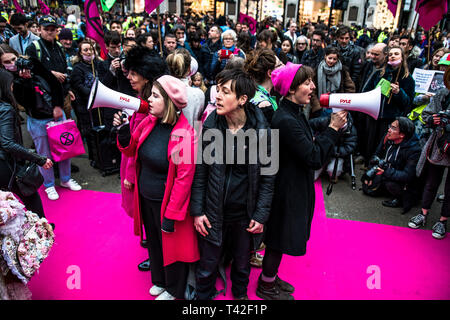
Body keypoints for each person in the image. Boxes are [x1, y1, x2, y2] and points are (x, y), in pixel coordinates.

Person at [258, 62, 347, 300]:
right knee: (279, 237)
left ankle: (270, 278)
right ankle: (266, 285)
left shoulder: (293, 112)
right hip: (287, 188)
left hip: (293, 184)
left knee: (282, 235)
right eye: (307, 82)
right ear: (290, 89)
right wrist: (333, 129)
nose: (313, 86)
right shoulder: (286, 119)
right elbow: (314, 157)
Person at [190, 68, 276, 300]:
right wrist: (197, 212)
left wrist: (260, 215)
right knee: (206, 267)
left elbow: (269, 179)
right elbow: (200, 174)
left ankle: (240, 297)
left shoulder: (264, 132)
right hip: (212, 212)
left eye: (225, 92)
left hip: (244, 216)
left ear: (242, 100)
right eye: (217, 90)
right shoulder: (210, 125)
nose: (216, 95)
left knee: (241, 266)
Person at [115, 75, 200, 300]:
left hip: (168, 203)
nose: (149, 99)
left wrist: (171, 214)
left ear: (170, 101)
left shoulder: (186, 134)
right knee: (153, 241)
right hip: (146, 196)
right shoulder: (148, 122)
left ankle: (174, 289)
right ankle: (160, 280)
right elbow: (132, 150)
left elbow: (184, 179)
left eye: (155, 95)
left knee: (173, 246)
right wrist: (124, 130)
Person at [120, 46, 167, 272]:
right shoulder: (144, 98)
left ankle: (158, 255)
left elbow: (140, 144)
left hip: (141, 167)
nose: (129, 77)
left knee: (149, 212)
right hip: (138, 165)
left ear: (146, 74)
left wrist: (130, 174)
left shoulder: (153, 102)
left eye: (133, 73)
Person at [11, 53, 82, 201]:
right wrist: (26, 81)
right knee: (44, 154)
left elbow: (56, 85)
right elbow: (25, 102)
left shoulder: (39, 68)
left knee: (65, 148)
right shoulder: (17, 82)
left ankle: (65, 179)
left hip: (56, 115)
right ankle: (48, 184)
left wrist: (57, 106)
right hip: (38, 120)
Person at [0, 69, 53, 219]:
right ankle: (42, 230)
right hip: (7, 164)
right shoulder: (5, 109)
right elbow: (8, 143)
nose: (12, 87)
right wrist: (39, 159)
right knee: (31, 197)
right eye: (10, 84)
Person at [409, 57, 450, 239]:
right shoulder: (442, 93)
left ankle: (442, 220)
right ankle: (423, 213)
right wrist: (433, 119)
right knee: (432, 180)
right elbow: (426, 114)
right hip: (438, 144)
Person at [361, 46, 415, 167]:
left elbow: (408, 103)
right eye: (390, 54)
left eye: (396, 54)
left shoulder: (407, 79)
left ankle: (379, 167)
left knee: (383, 144)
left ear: (402, 58)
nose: (393, 56)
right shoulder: (380, 74)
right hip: (374, 114)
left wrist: (398, 93)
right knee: (370, 142)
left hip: (390, 117)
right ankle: (368, 165)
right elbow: (367, 91)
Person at [361, 117, 421, 213]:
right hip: (389, 172)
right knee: (367, 188)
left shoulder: (414, 150)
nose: (389, 130)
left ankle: (400, 198)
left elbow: (408, 176)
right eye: (390, 126)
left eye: (393, 128)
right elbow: (376, 156)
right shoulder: (388, 138)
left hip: (405, 183)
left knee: (390, 184)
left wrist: (385, 171)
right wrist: (370, 174)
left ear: (402, 135)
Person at [25, 15, 75, 120]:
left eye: (52, 30)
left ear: (57, 31)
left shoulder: (59, 47)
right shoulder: (33, 48)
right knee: (50, 131)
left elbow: (64, 69)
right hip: (46, 99)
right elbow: (31, 72)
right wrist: (51, 74)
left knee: (65, 129)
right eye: (46, 29)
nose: (49, 32)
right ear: (39, 30)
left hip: (63, 95)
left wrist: (68, 89)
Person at [310, 46, 355, 118]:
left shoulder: (342, 71)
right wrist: (317, 106)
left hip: (338, 106)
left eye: (334, 59)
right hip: (322, 106)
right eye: (330, 58)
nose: (331, 61)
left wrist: (345, 104)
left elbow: (350, 88)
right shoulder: (317, 70)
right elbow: (312, 90)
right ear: (325, 56)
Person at [70, 40, 102, 139]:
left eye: (91, 49)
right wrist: (93, 94)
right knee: (90, 132)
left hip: (100, 103)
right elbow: (78, 85)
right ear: (80, 53)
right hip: (85, 104)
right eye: (85, 50)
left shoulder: (99, 64)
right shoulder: (77, 68)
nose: (89, 52)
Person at [245, 48, 278, 123]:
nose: (284, 67)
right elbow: (271, 133)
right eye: (279, 65)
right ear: (270, 73)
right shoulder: (264, 104)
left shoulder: (251, 91)